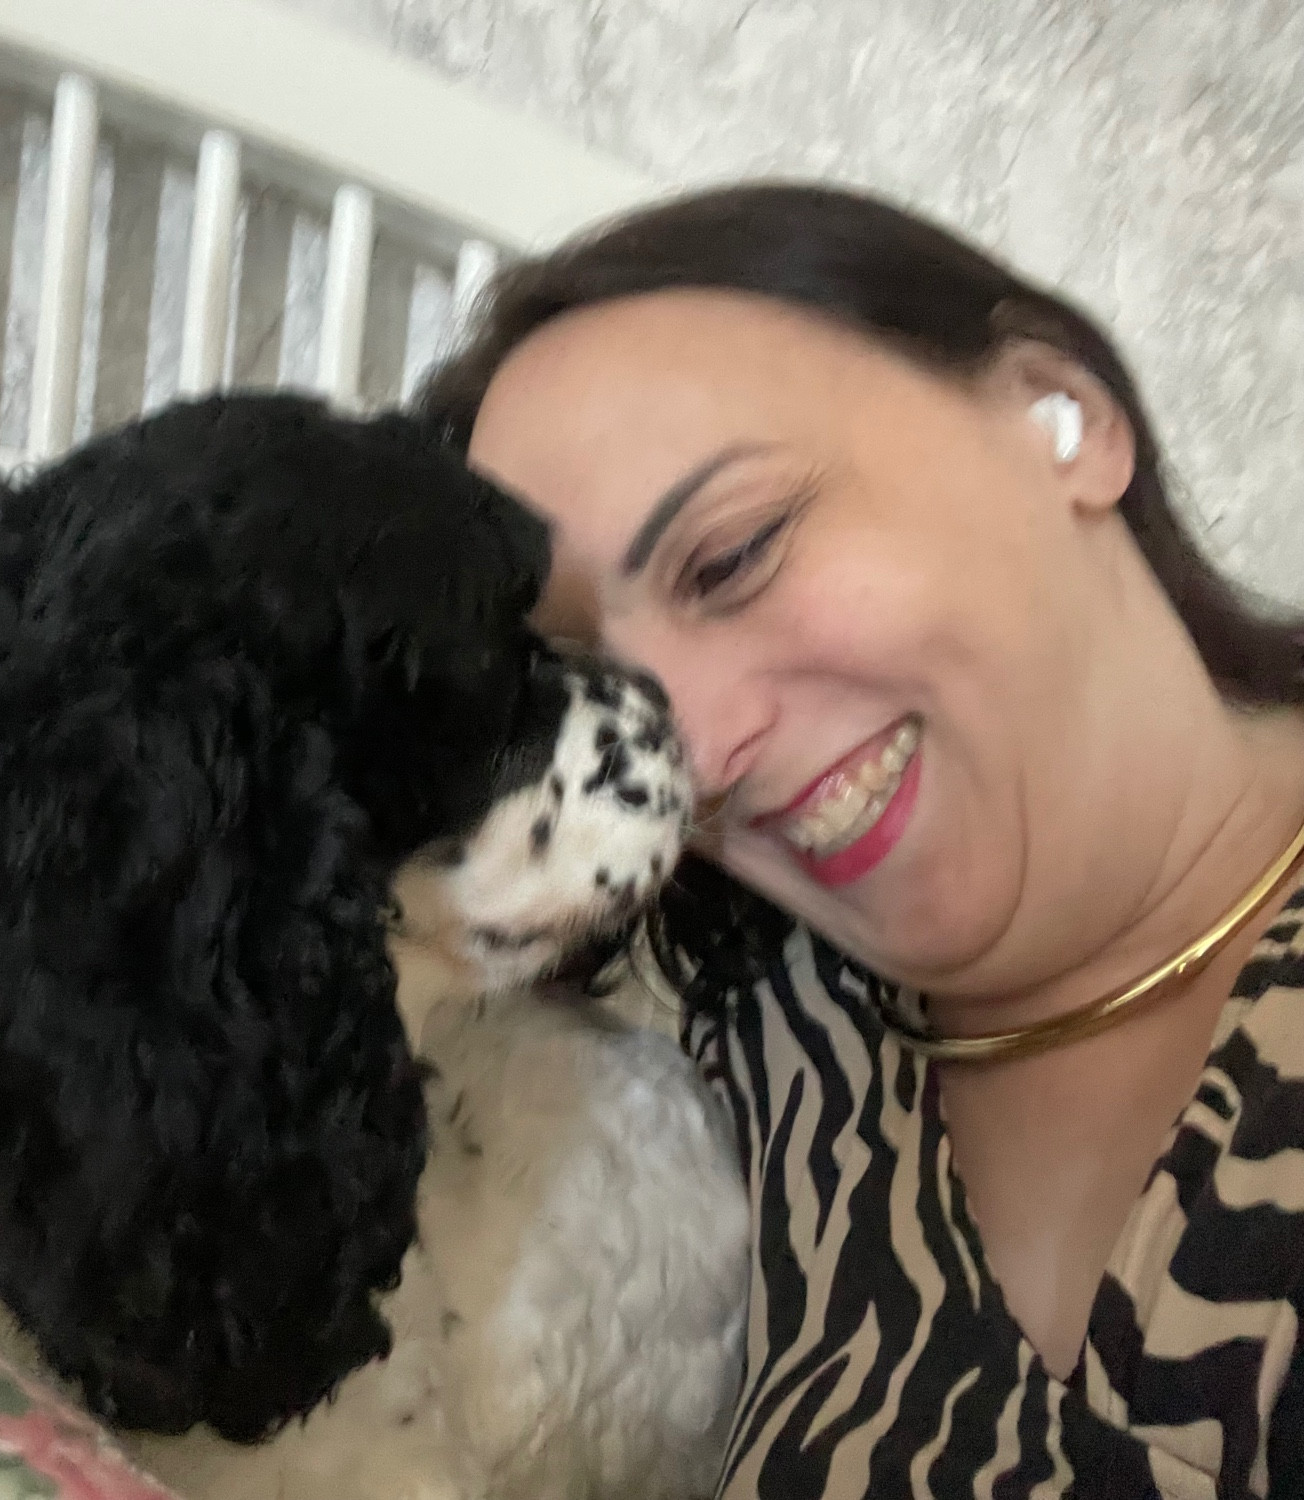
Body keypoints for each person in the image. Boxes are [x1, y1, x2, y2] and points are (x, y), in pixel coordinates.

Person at [419, 183, 1304, 1499]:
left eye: (734, 557)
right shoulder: (743, 1032)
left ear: (1066, 419)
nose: (692, 759)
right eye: (595, 682)